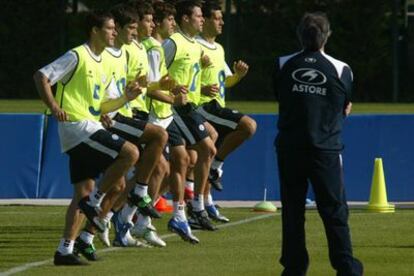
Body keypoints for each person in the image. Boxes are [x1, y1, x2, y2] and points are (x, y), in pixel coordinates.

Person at [33, 10, 140, 265]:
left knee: (85, 190)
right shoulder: (77, 55)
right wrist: (54, 106)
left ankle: (65, 249)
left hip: (88, 126)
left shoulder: (101, 61)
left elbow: (99, 104)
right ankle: (94, 203)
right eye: (111, 28)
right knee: (131, 153)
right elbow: (42, 76)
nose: (115, 32)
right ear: (95, 30)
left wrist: (126, 99)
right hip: (77, 127)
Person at [273, 12, 363, 276]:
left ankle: (294, 267)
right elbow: (344, 106)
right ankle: (346, 267)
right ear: (328, 36)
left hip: (290, 147)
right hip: (326, 149)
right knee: (334, 211)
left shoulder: (282, 64)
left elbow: (281, 97)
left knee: (292, 211)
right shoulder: (341, 68)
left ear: (299, 34)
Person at [140, 0, 200, 244]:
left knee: (185, 158)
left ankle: (178, 215)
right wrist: (173, 97)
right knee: (154, 169)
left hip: (166, 112)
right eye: (170, 20)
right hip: (154, 113)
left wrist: (174, 88)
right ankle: (126, 216)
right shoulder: (156, 47)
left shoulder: (157, 46)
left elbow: (160, 79)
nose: (173, 24)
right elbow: (149, 88)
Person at [195, 0, 256, 222]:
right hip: (203, 106)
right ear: (205, 21)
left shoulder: (218, 48)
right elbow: (187, 80)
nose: (222, 22)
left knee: (211, 152)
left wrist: (237, 76)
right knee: (248, 125)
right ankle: (216, 169)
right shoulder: (196, 46)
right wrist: (200, 87)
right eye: (217, 18)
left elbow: (224, 82)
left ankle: (206, 201)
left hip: (216, 107)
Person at [163, 0, 217, 231]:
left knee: (191, 156)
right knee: (207, 149)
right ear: (185, 19)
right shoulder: (173, 43)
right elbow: (155, 72)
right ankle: (197, 206)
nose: (202, 19)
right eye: (198, 15)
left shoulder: (195, 45)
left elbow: (190, 77)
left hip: (190, 106)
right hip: (174, 107)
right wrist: (171, 90)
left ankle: (191, 201)